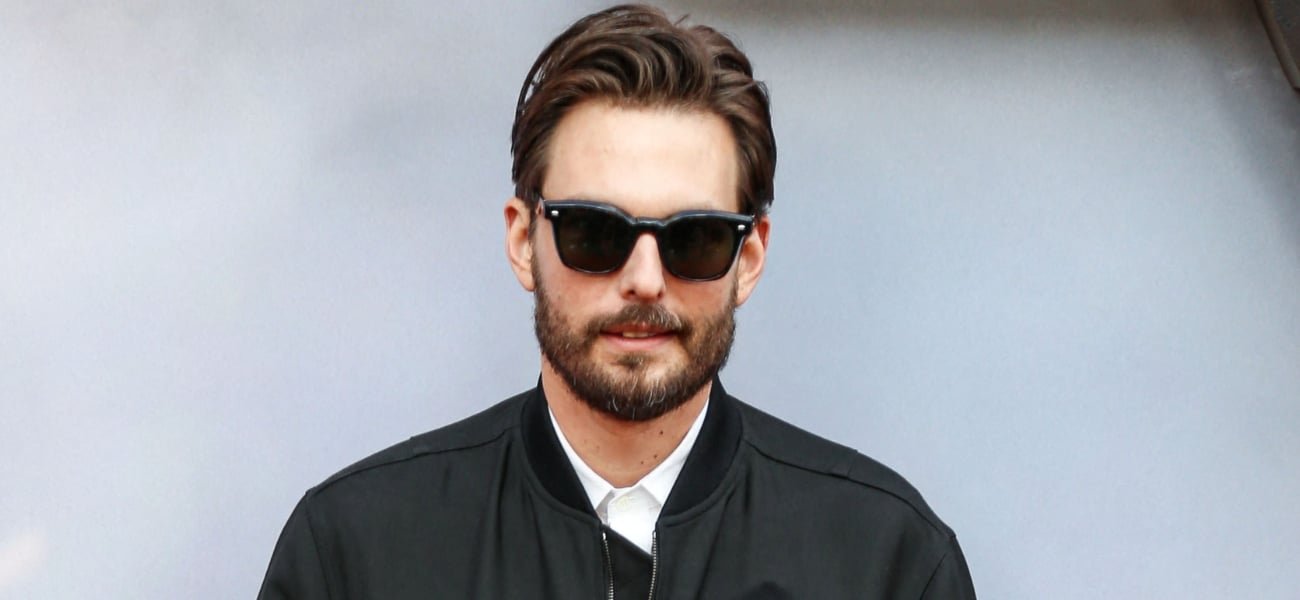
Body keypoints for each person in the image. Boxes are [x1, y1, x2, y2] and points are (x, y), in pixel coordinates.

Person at [258, 4, 976, 599]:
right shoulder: (354, 555)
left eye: (693, 238)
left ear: (749, 259)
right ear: (523, 241)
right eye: (596, 232)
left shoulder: (887, 563)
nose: (644, 279)